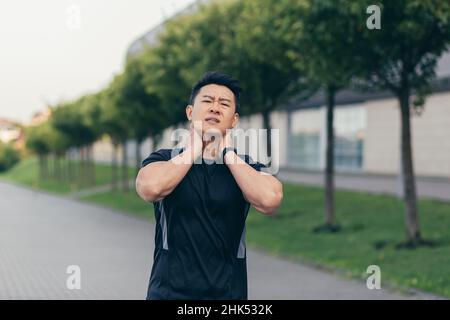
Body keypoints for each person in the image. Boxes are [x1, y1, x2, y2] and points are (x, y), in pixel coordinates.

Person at [136, 71, 283, 300]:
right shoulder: (164, 159)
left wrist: (226, 152)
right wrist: (194, 148)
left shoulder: (245, 167)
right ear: (190, 112)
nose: (215, 108)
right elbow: (150, 188)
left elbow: (270, 200)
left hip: (228, 296)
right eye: (207, 101)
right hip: (168, 294)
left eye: (224, 104)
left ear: (234, 120)